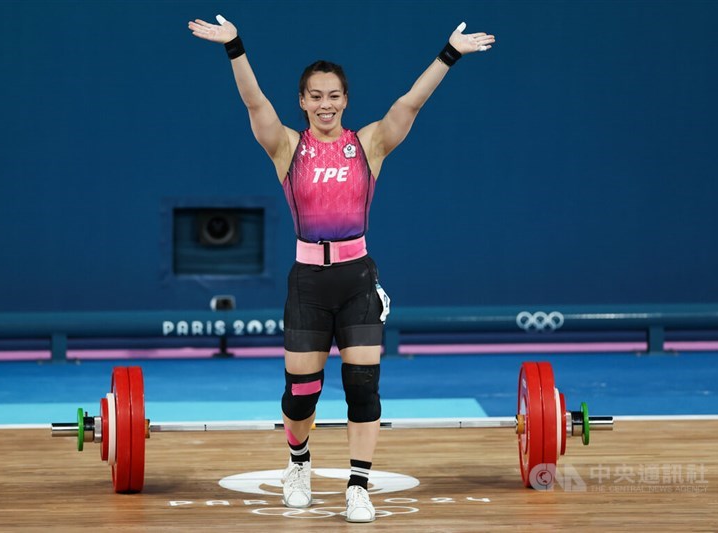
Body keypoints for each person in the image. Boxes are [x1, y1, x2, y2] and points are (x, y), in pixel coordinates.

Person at [188, 12, 494, 522]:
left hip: (357, 280)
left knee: (362, 387)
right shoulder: (287, 147)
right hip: (308, 283)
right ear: (303, 102)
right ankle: (299, 462)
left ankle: (358, 486)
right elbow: (252, 101)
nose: (325, 104)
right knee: (300, 395)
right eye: (315, 96)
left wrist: (450, 52)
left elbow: (410, 103)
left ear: (345, 100)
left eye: (334, 96)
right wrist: (235, 46)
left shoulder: (368, 145)